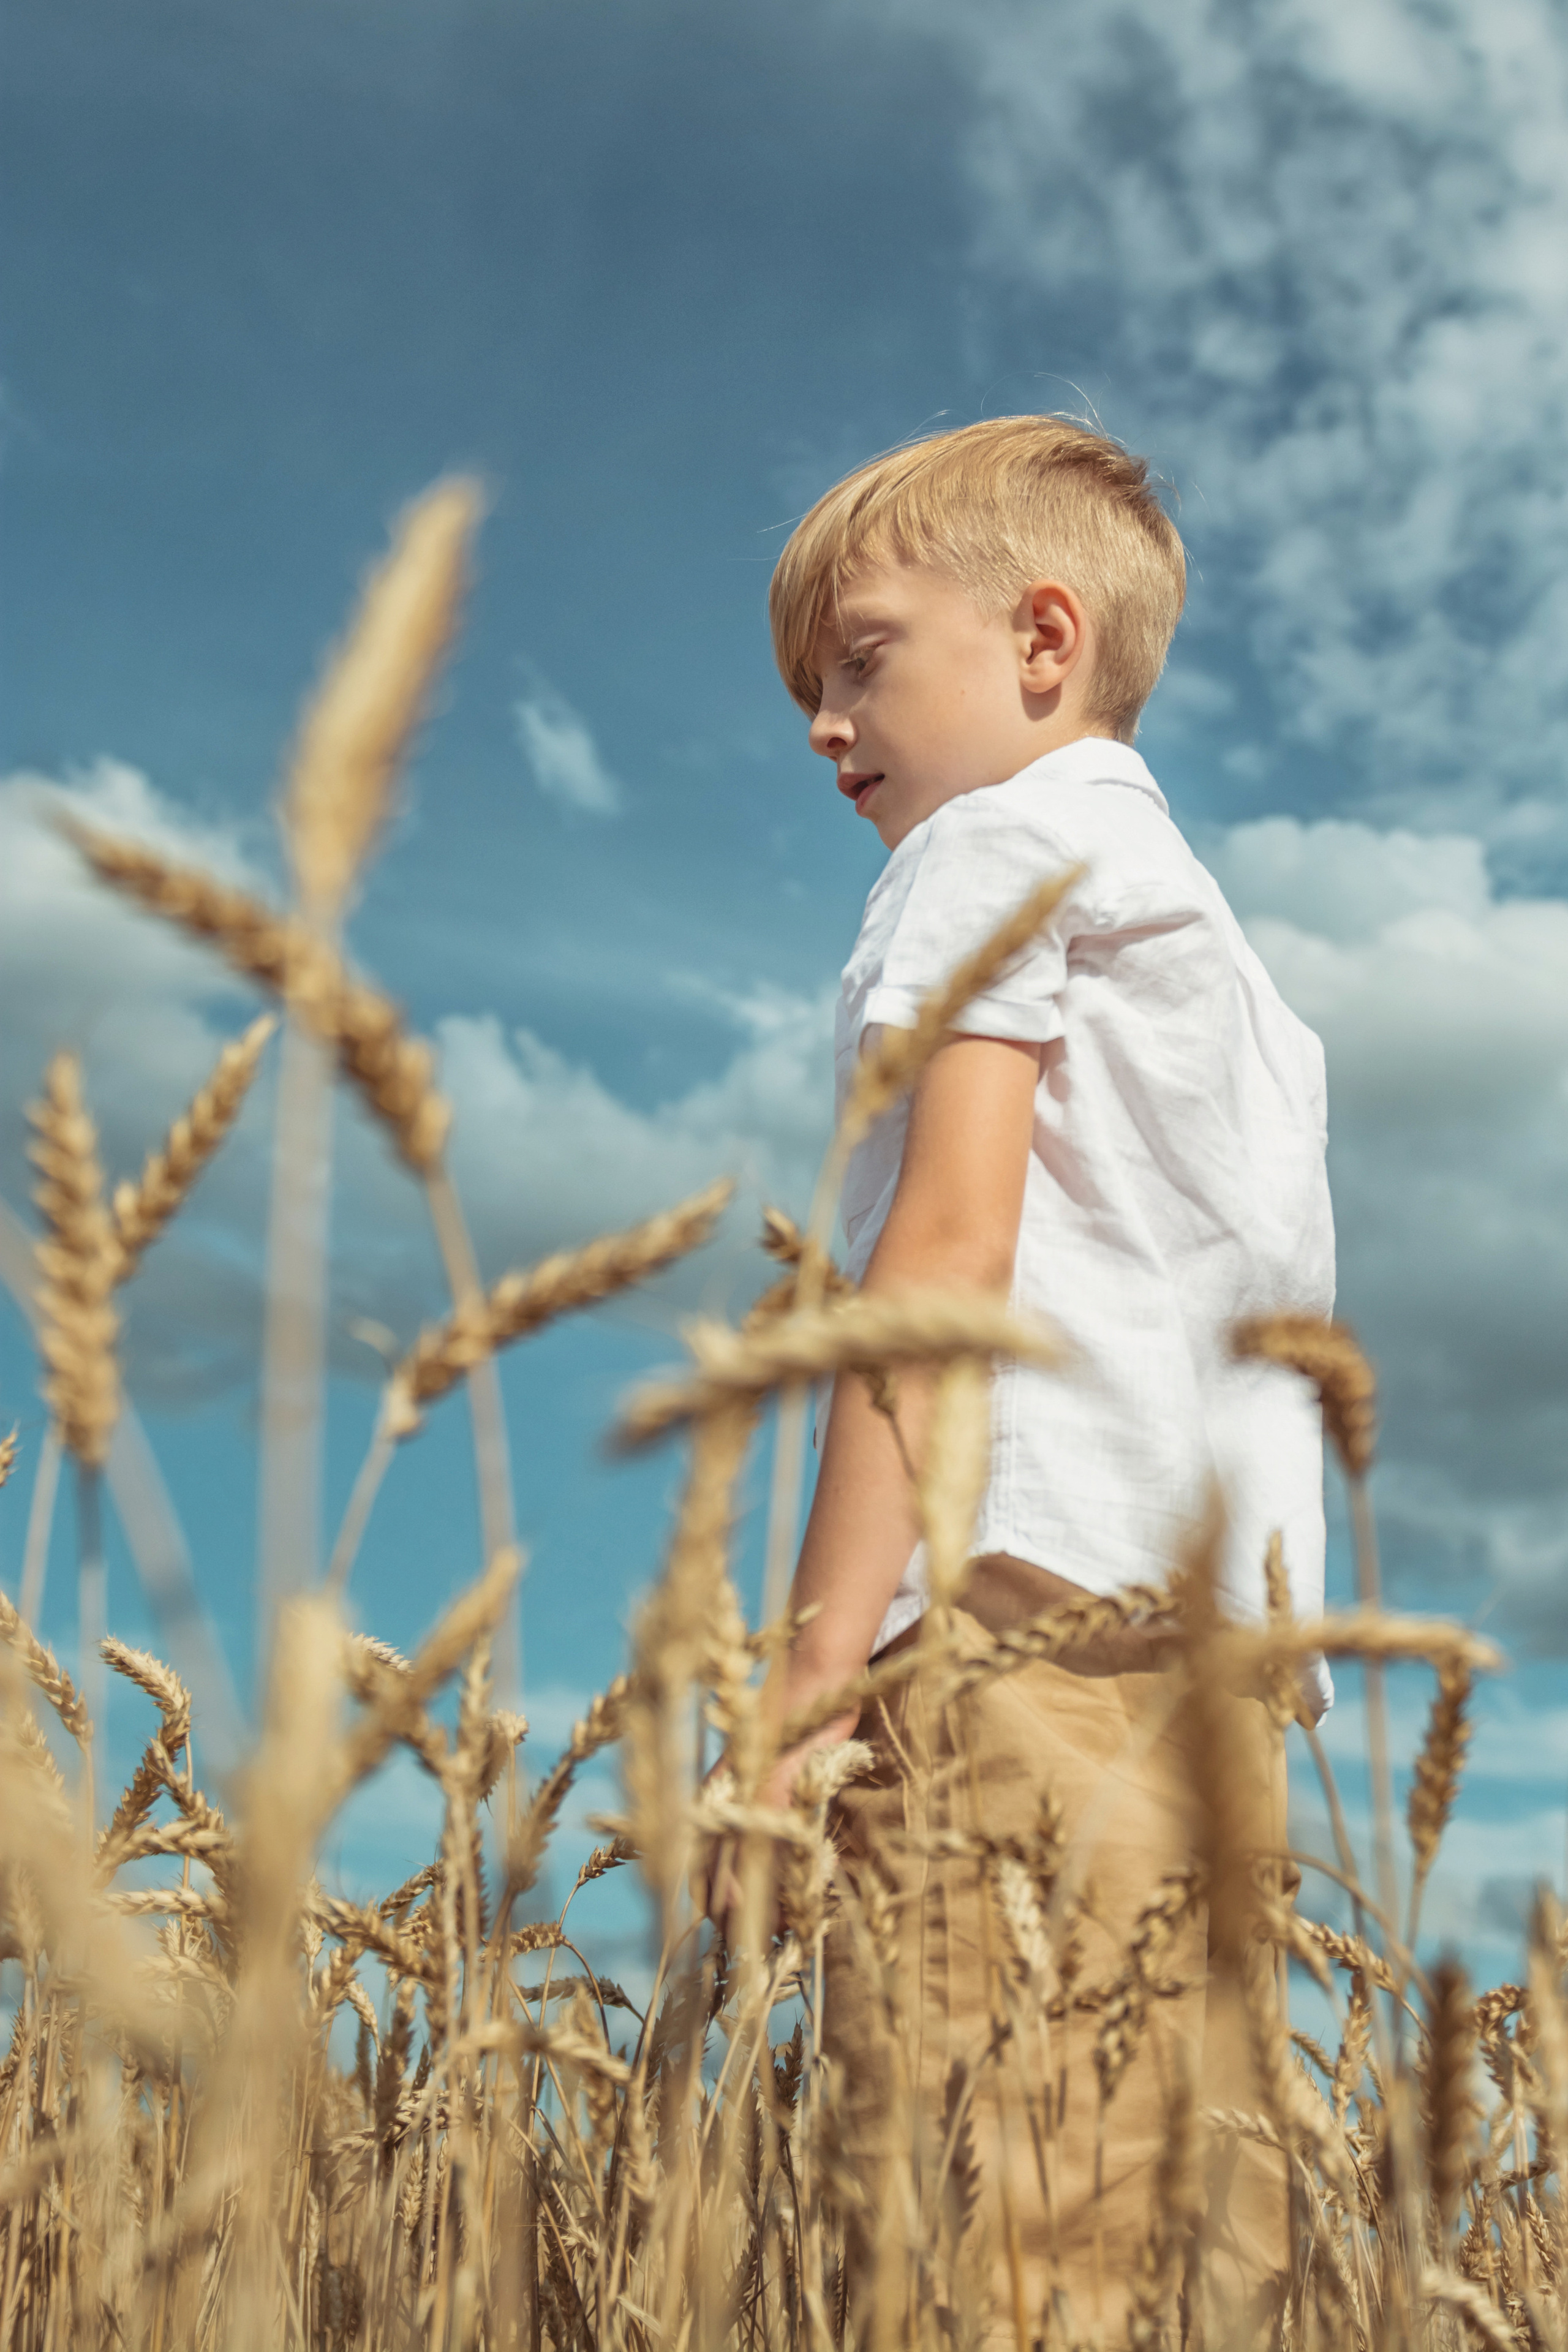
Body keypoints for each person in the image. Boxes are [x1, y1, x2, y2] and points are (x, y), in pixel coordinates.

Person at [753, 415, 1335, 2346]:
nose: (824, 726)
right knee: (1183, 2242)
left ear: (1042, 638)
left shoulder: (989, 850)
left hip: (1001, 1632)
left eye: (860, 660)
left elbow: (941, 1262)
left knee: (970, 2244)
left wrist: (809, 1681)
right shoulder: (1247, 990)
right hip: (1212, 1681)